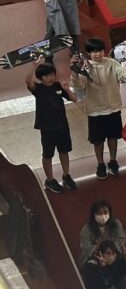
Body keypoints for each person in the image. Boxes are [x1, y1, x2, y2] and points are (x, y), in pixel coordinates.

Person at [72, 38, 126, 180]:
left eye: (100, 51)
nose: (98, 54)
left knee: (113, 137)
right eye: (94, 51)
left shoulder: (112, 63)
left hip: (113, 108)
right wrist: (74, 71)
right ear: (89, 53)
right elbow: (79, 86)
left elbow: (125, 77)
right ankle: (100, 164)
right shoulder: (85, 66)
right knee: (97, 141)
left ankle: (113, 161)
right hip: (95, 110)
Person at [27, 58, 78, 193]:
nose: (50, 78)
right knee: (48, 154)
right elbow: (28, 81)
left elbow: (74, 99)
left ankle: (66, 175)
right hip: (47, 128)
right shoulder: (38, 89)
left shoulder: (58, 86)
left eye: (51, 74)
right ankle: (50, 180)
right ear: (40, 78)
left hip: (62, 126)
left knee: (64, 151)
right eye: (46, 76)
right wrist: (33, 66)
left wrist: (67, 89)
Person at [79, 199, 126, 264]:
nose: (103, 216)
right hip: (95, 258)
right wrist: (99, 250)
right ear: (93, 214)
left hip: (113, 255)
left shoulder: (116, 224)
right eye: (99, 213)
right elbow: (86, 248)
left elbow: (122, 239)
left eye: (105, 212)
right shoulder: (86, 229)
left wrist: (111, 249)